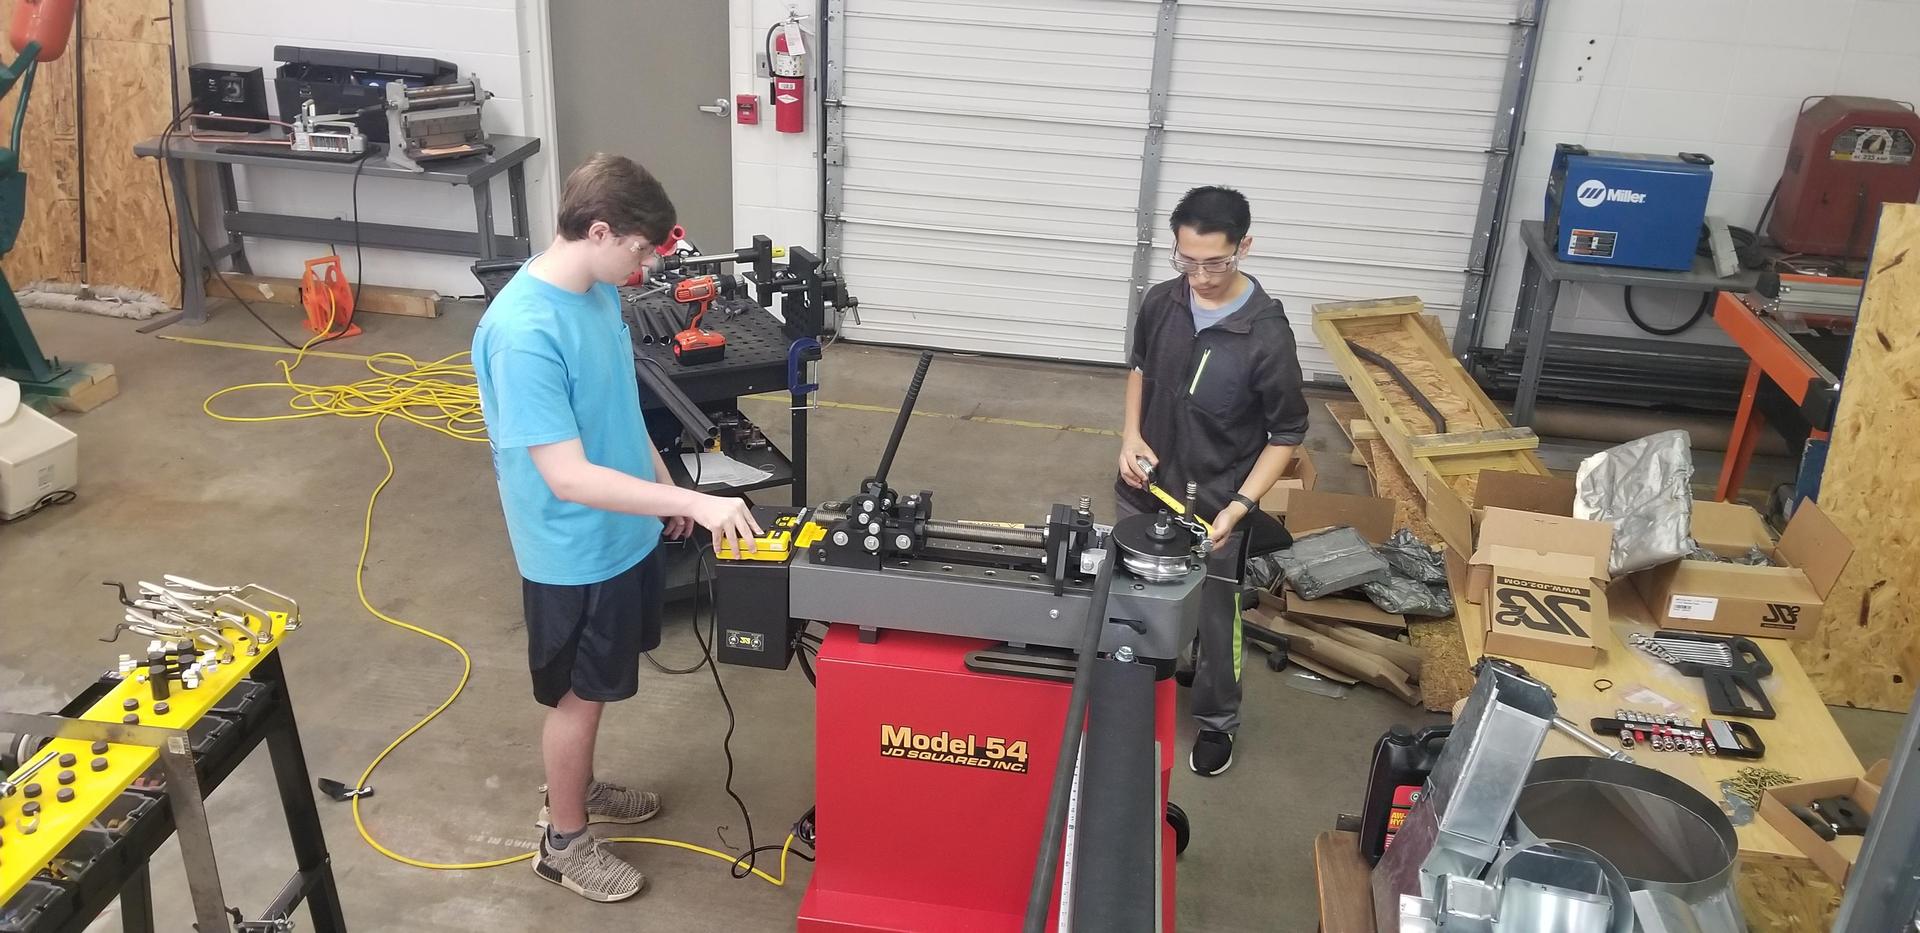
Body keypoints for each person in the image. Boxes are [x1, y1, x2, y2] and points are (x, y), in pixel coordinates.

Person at [473, 153, 763, 902]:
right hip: (571, 550)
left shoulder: (598, 295)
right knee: (578, 698)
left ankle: (582, 787)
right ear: (598, 229)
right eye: (639, 249)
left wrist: (669, 491)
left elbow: (622, 412)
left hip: (620, 529)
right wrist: (702, 506)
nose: (645, 265)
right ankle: (562, 840)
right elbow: (564, 475)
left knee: (597, 688)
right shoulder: (524, 333)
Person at [1115, 185, 1309, 777]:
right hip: (1147, 485)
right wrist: (1129, 436)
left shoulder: (1267, 338)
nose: (1199, 276)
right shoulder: (1160, 303)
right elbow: (1140, 370)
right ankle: (1129, 694)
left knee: (1216, 617)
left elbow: (1287, 434)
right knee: (1131, 595)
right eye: (1187, 260)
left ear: (1244, 246)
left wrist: (1243, 505)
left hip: (1216, 503)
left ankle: (1217, 721)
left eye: (1216, 262)